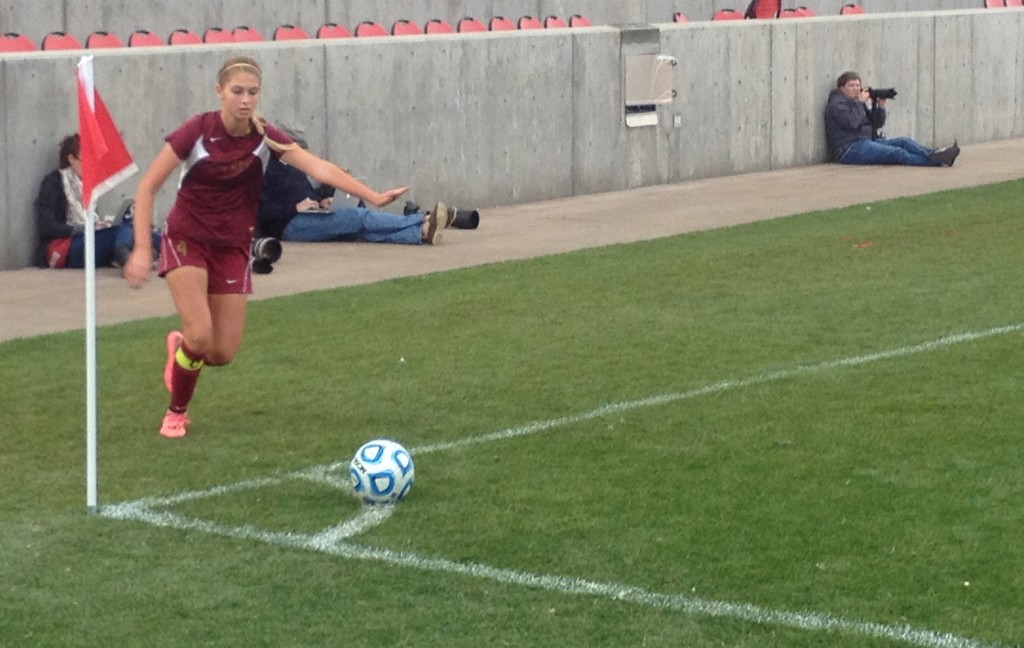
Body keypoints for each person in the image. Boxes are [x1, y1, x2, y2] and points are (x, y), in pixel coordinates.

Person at [122, 55, 409, 439]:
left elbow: (319, 168)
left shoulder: (265, 135)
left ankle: (181, 347)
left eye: (252, 92)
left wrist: (371, 195)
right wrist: (142, 247)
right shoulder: (197, 131)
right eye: (237, 91)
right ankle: (176, 412)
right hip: (188, 237)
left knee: (221, 353)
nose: (245, 100)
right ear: (219, 91)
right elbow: (148, 187)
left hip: (233, 245)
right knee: (201, 334)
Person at [258, 152, 446, 246]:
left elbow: (301, 191)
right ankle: (422, 219)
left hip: (310, 214)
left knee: (361, 230)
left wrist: (322, 200)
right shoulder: (260, 170)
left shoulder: (290, 166)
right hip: (290, 224)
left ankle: (421, 233)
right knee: (358, 218)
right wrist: (295, 208)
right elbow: (260, 212)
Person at [34, 134, 160, 269]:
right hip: (63, 248)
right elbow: (47, 226)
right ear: (71, 159)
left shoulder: (87, 187)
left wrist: (99, 226)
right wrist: (85, 228)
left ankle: (160, 250)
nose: (91, 165)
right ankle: (128, 257)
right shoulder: (54, 182)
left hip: (86, 240)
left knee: (137, 229)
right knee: (121, 231)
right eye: (86, 159)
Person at [824, 71, 960, 167]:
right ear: (841, 88)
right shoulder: (837, 105)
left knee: (904, 141)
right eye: (851, 86)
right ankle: (937, 161)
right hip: (849, 149)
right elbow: (852, 123)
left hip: (866, 141)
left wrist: (880, 107)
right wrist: (860, 103)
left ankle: (937, 154)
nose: (855, 89)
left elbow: (876, 125)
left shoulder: (855, 102)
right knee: (897, 153)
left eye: (857, 85)